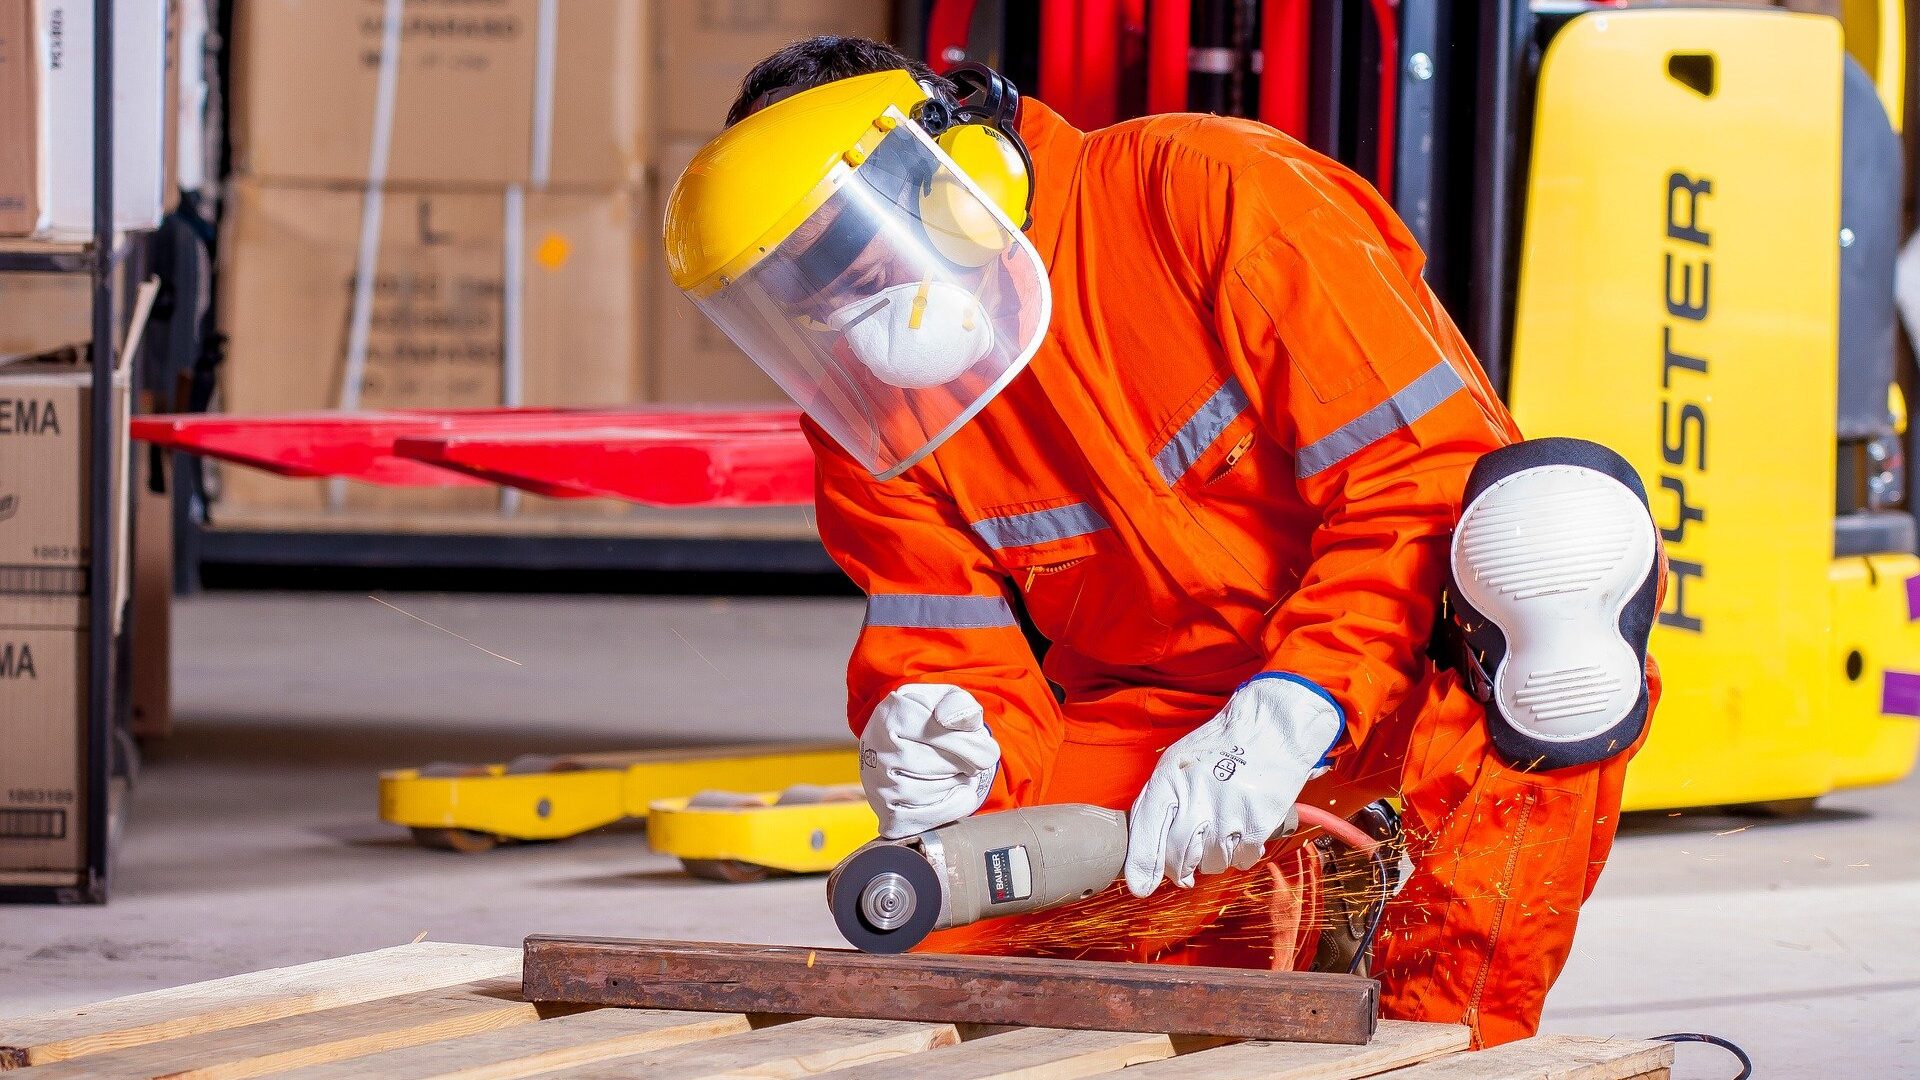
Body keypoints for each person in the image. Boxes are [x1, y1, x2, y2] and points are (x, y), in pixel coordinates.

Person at [663, 36, 1663, 1047]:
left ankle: (1444, 1043)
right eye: (794, 289)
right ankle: (1312, 887)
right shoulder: (872, 414)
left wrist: (1298, 702)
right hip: (1170, 721)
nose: (835, 309)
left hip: (1407, 660)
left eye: (839, 253)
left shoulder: (1213, 193)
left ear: (956, 174)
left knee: (1555, 553)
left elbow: (1421, 482)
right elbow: (942, 634)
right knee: (941, 946)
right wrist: (939, 735)